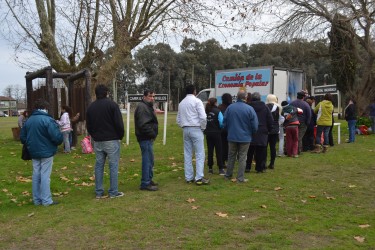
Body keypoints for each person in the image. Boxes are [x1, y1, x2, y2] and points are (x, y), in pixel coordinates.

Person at [20, 99, 63, 206]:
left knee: (36, 174)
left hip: (33, 151)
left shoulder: (29, 120)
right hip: (47, 151)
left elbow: (22, 138)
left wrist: (30, 143)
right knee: (45, 175)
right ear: (46, 108)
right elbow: (56, 137)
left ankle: (37, 199)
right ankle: (46, 200)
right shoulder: (48, 120)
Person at [86, 84, 125, 198]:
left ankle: (99, 192)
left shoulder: (91, 107)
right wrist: (120, 135)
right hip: (111, 139)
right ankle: (113, 192)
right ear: (107, 92)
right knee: (113, 165)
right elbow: (118, 123)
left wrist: (94, 136)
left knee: (99, 166)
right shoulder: (112, 105)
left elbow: (89, 125)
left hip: (98, 140)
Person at [177, 84, 209, 185]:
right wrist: (203, 127)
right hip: (196, 128)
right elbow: (203, 117)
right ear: (194, 91)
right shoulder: (197, 101)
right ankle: (199, 177)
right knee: (200, 154)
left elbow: (178, 119)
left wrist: (183, 125)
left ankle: (189, 177)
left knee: (187, 154)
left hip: (185, 129)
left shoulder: (181, 103)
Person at [223, 90, 258, 182]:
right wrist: (253, 132)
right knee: (242, 157)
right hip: (245, 137)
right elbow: (254, 124)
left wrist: (228, 130)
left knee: (231, 156)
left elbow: (224, 122)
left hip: (232, 136)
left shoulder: (230, 107)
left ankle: (228, 175)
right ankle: (240, 178)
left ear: (237, 97)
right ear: (246, 97)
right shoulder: (249, 109)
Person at [134, 89, 159, 191]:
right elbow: (143, 125)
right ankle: (145, 183)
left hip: (147, 137)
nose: (152, 98)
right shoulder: (142, 107)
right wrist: (152, 133)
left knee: (150, 160)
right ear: (144, 96)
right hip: (145, 137)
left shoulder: (147, 106)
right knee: (147, 160)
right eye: (150, 96)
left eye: (153, 96)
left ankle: (148, 179)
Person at [246, 92, 273, 173]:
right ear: (260, 98)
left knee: (249, 150)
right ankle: (259, 168)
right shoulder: (265, 107)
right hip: (262, 131)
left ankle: (248, 167)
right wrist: (268, 129)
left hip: (250, 131)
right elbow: (270, 120)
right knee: (261, 150)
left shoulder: (248, 107)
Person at [204, 97, 225, 175]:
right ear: (215, 103)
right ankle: (220, 168)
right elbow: (221, 122)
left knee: (210, 150)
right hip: (216, 133)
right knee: (219, 150)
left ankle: (210, 168)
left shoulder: (206, 111)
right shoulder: (218, 111)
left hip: (208, 133)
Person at [265, 94, 281, 169]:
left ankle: (263, 162)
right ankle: (272, 163)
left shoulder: (265, 107)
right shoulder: (278, 107)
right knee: (273, 147)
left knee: (264, 147)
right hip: (275, 129)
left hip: (266, 129)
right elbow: (281, 118)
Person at [218, 93, 232, 167]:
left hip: (221, 130)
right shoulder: (231, 107)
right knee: (229, 146)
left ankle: (222, 161)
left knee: (222, 146)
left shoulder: (219, 107)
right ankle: (228, 160)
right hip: (230, 129)